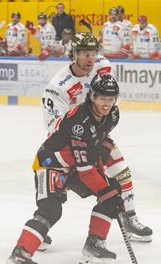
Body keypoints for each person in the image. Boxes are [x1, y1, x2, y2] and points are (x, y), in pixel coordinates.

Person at [2, 75, 125, 264]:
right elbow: (86, 171)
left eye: (111, 99)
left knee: (112, 190)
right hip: (51, 163)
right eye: (103, 98)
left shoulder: (112, 115)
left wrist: (107, 183)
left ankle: (93, 247)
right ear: (93, 97)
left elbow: (98, 143)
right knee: (50, 209)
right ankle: (19, 256)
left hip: (75, 164)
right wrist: (105, 191)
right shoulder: (79, 121)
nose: (107, 104)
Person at [40, 33, 153, 248]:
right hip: (69, 141)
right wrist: (80, 138)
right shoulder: (57, 87)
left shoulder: (103, 66)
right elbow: (54, 126)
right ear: (73, 55)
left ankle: (129, 217)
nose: (90, 59)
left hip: (96, 133)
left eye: (93, 53)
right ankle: (41, 226)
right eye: (84, 54)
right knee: (56, 188)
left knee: (119, 166)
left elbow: (107, 99)